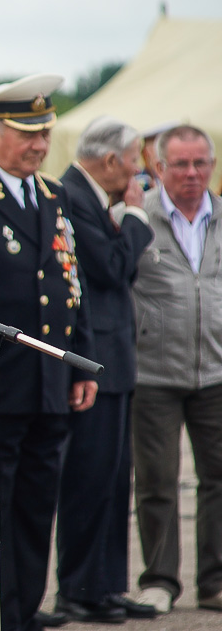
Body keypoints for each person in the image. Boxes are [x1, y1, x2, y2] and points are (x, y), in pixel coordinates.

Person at [0, 74, 97, 631]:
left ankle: (25, 607)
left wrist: (81, 357)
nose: (39, 145)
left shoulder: (53, 194)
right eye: (27, 134)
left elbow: (70, 283)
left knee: (35, 503)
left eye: (45, 134)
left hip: (50, 378)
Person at [52, 117, 155, 623]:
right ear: (111, 160)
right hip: (97, 358)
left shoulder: (92, 199)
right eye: (134, 159)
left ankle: (107, 585)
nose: (137, 170)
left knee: (115, 479)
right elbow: (112, 268)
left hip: (116, 357)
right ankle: (79, 587)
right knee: (89, 479)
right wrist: (135, 217)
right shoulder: (72, 196)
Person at [129, 124, 222, 615]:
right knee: (157, 483)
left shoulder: (221, 216)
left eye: (200, 163)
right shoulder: (138, 219)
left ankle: (215, 581)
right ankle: (161, 580)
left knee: (218, 478)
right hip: (153, 373)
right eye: (180, 164)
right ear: (158, 167)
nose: (191, 174)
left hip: (216, 371)